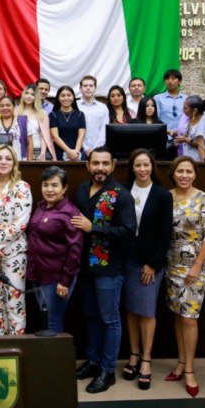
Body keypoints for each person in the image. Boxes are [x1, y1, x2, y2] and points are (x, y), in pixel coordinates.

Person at [73, 147, 135, 394]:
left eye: (105, 163)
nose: (100, 167)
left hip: (109, 268)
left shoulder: (121, 195)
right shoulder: (80, 190)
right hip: (84, 267)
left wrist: (94, 228)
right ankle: (94, 361)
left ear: (113, 165)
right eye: (95, 163)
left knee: (109, 319)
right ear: (88, 165)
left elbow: (129, 232)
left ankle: (107, 370)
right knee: (91, 316)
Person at [164, 156, 205, 398]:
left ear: (195, 174)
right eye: (180, 171)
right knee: (177, 312)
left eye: (189, 171)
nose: (184, 175)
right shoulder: (166, 196)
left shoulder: (204, 199)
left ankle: (190, 370)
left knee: (189, 317)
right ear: (173, 173)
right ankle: (181, 362)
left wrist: (196, 266)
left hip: (196, 265)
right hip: (170, 264)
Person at [121, 149, 173, 391]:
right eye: (137, 165)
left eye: (146, 165)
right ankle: (133, 354)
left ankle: (146, 360)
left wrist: (153, 263)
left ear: (152, 167)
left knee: (146, 311)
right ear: (132, 168)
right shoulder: (123, 190)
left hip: (149, 262)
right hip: (127, 258)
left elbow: (165, 235)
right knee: (131, 309)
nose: (142, 169)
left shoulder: (162, 195)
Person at [0, 145, 32, 335]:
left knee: (14, 302)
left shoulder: (21, 187)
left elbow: (20, 223)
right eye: (0, 158)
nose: (3, 162)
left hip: (13, 254)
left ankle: (16, 346)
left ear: (14, 163)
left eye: (8, 159)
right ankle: (1, 343)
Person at [26, 166, 83, 333]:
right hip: (37, 273)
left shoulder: (70, 213)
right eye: (45, 185)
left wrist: (65, 281)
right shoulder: (41, 206)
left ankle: (57, 360)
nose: (49, 189)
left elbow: (75, 249)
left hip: (57, 279)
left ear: (64, 188)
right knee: (45, 320)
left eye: (54, 185)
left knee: (52, 322)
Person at [16, 84, 56, 161]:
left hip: (38, 150)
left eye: (32, 94)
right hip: (20, 150)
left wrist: (43, 153)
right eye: (27, 93)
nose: (29, 96)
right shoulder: (16, 111)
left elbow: (44, 135)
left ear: (36, 97)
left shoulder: (42, 113)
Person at [49, 86, 85, 161]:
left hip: (78, 154)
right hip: (60, 153)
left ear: (73, 97)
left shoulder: (80, 114)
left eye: (69, 95)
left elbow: (81, 135)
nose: (66, 98)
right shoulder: (53, 115)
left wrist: (76, 152)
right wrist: (69, 151)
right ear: (58, 98)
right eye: (63, 95)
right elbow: (55, 137)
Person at [77, 76, 109, 156]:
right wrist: (85, 148)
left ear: (95, 88)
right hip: (78, 149)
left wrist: (96, 149)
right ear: (80, 88)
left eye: (91, 86)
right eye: (85, 86)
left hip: (99, 149)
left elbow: (104, 130)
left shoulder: (103, 107)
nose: (88, 88)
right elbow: (73, 129)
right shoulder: (75, 106)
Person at [173, 95, 205, 161]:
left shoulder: (204, 122)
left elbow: (203, 145)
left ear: (194, 110)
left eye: (185, 108)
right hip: (187, 157)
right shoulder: (188, 119)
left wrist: (186, 140)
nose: (183, 110)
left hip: (198, 159)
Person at [154, 69, 186, 137]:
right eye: (167, 79)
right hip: (164, 135)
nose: (170, 81)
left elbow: (188, 119)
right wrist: (168, 131)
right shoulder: (158, 98)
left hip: (182, 137)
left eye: (173, 79)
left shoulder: (186, 99)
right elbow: (156, 119)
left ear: (179, 81)